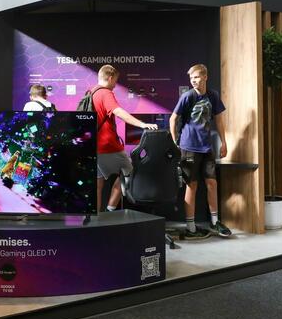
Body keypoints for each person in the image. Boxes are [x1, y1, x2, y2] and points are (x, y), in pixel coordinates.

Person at [170, 64, 231, 240]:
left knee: (212, 183)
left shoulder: (213, 96)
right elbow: (173, 119)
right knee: (192, 185)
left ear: (205, 77)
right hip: (189, 147)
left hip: (206, 147)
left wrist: (224, 142)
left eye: (196, 77)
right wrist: (175, 142)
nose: (194, 81)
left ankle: (215, 222)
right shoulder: (187, 96)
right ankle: (190, 226)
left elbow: (219, 120)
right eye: (191, 78)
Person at [92, 64, 157, 213]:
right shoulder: (106, 93)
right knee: (130, 173)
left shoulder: (91, 92)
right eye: (115, 81)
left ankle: (95, 218)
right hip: (109, 146)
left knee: (97, 184)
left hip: (94, 146)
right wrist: (142, 124)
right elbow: (119, 112)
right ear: (110, 78)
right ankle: (110, 211)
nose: (115, 85)